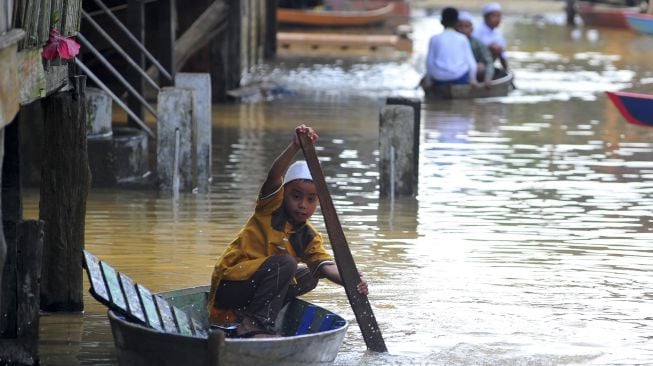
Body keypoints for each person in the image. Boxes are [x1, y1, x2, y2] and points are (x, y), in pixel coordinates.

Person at [207, 124, 369, 338]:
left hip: (256, 290)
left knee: (312, 274)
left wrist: (352, 280)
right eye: (296, 196)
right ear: (284, 195)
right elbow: (274, 175)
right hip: (230, 286)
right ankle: (254, 324)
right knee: (287, 263)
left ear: (318, 202)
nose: (303, 205)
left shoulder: (308, 236)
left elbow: (326, 266)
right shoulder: (270, 207)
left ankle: (248, 314)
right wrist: (294, 147)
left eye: (310, 199)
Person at [425, 7, 478, 87]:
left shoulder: (434, 39)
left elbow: (429, 63)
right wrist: (473, 79)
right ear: (456, 22)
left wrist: (428, 80)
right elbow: (471, 63)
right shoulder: (462, 38)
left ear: (441, 22)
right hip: (459, 78)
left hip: (439, 79)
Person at [455, 11, 494, 86]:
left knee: (481, 67)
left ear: (471, 29)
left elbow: (489, 62)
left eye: (466, 26)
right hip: (457, 71)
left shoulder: (478, 43)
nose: (463, 30)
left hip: (473, 73)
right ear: (455, 28)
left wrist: (488, 78)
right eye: (460, 26)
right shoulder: (452, 42)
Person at [473, 2, 509, 74]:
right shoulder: (476, 30)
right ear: (486, 17)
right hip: (475, 62)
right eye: (495, 16)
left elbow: (502, 54)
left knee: (498, 48)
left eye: (499, 16)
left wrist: (506, 70)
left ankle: (506, 72)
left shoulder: (498, 34)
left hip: (488, 63)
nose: (498, 19)